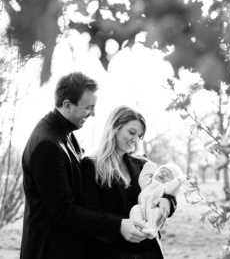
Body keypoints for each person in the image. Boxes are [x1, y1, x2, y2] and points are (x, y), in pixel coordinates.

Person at [20, 73, 149, 259]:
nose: (93, 113)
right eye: (88, 107)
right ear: (67, 105)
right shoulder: (46, 145)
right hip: (50, 249)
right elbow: (64, 211)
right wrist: (118, 225)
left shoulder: (65, 135)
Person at [82, 105, 177, 259]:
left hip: (148, 251)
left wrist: (168, 202)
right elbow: (90, 210)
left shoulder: (142, 164)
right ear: (115, 127)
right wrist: (119, 225)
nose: (135, 140)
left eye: (139, 136)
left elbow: (163, 189)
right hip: (111, 251)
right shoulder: (90, 165)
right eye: (132, 132)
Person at [130, 161, 187, 239]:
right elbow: (143, 177)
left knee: (157, 213)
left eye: (168, 176)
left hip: (153, 207)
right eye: (162, 171)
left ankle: (151, 229)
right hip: (141, 207)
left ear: (171, 181)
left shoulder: (165, 187)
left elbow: (173, 188)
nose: (163, 174)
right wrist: (151, 165)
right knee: (135, 209)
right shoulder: (149, 182)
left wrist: (179, 180)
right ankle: (139, 226)